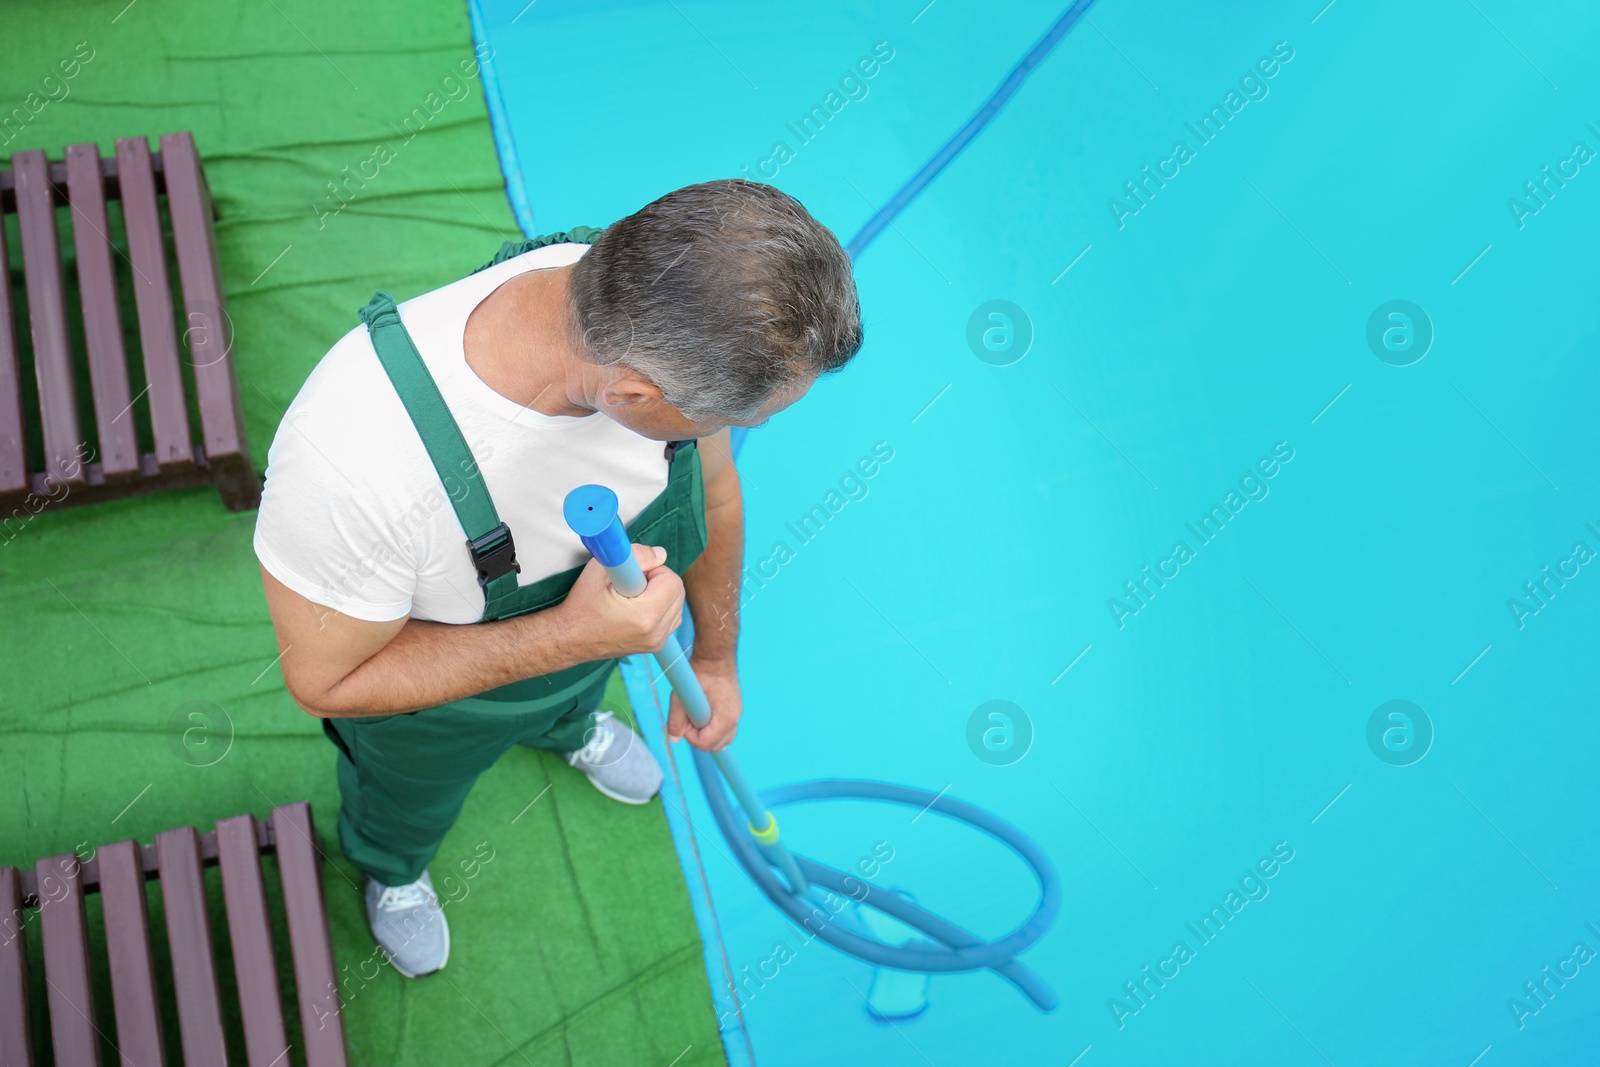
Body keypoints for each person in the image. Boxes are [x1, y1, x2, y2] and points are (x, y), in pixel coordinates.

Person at [253, 180, 863, 976]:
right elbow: (327, 680)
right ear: (634, 394)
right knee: (408, 805)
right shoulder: (357, 465)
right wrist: (569, 633)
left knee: (575, 688)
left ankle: (567, 726)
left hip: (588, 653)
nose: (749, 433)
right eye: (743, 421)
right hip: (435, 717)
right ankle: (394, 868)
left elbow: (711, 488)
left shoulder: (648, 313)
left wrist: (714, 656)